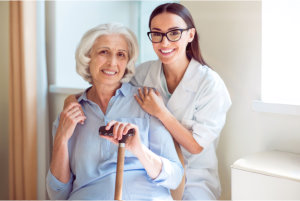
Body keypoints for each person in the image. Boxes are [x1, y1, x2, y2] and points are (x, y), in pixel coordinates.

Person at [64, 3, 231, 200]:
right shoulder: (144, 73)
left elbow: (195, 147)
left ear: (190, 35)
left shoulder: (210, 84)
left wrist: (161, 112)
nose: (165, 42)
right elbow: (108, 86)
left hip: (195, 176)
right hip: (149, 172)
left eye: (174, 33)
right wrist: (71, 100)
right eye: (157, 34)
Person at [46, 23, 184, 200]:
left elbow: (175, 177)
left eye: (121, 55)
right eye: (104, 52)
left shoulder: (146, 102)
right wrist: (61, 138)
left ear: (127, 62)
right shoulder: (69, 114)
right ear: (88, 57)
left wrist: (139, 150)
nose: (112, 62)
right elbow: (57, 194)